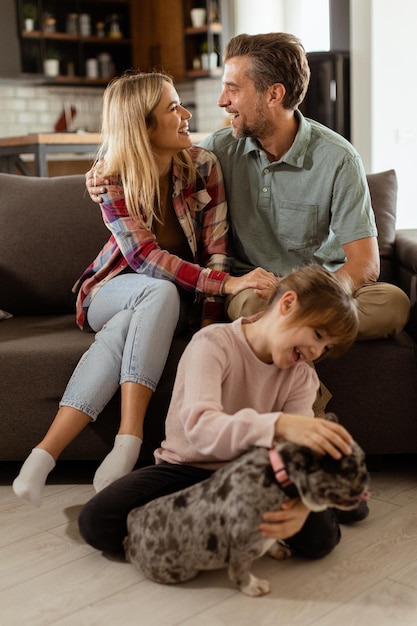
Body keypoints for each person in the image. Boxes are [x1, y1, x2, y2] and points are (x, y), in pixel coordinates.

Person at [12, 71, 276, 508]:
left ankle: (42, 456)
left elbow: (217, 250)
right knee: (157, 291)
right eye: (173, 107)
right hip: (107, 292)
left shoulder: (203, 167)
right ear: (143, 126)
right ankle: (129, 441)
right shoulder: (112, 178)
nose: (186, 113)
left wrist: (207, 331)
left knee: (126, 330)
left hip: (165, 305)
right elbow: (144, 260)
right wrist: (229, 286)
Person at [78, 265, 359, 559]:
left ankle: (220, 531)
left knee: (320, 539)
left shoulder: (302, 376)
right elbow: (202, 430)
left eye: (327, 347)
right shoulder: (213, 343)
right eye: (317, 335)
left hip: (254, 479)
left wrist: (303, 505)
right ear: (288, 304)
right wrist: (278, 425)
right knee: (97, 522)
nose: (317, 352)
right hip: (187, 470)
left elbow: (297, 457)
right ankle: (228, 532)